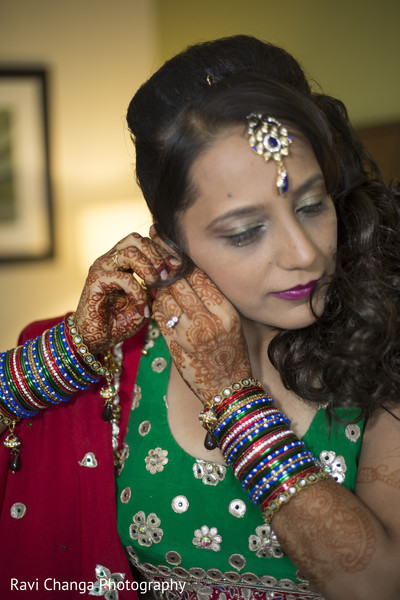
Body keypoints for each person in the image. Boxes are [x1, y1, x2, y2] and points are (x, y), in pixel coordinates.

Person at [1, 35, 400, 600]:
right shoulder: (122, 356)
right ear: (171, 242)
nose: (304, 254)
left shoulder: (383, 342)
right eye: (245, 231)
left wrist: (233, 398)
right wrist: (70, 351)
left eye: (312, 205)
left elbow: (381, 584)